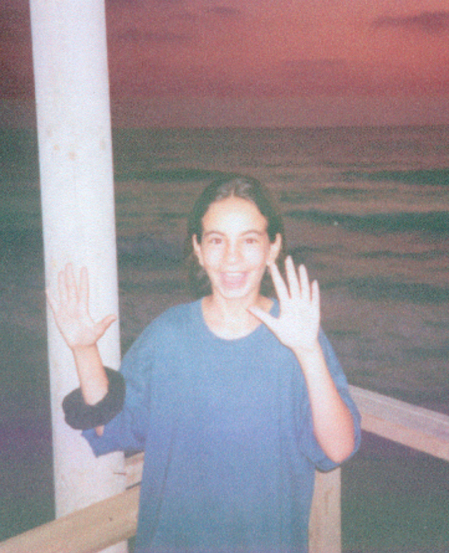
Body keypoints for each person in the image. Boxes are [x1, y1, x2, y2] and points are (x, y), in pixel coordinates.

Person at [47, 176, 361, 553]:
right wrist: (84, 349)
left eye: (249, 240)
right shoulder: (167, 336)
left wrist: (308, 351)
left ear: (273, 247)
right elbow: (110, 425)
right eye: (216, 240)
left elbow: (338, 449)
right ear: (198, 249)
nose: (232, 257)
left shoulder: (299, 337)